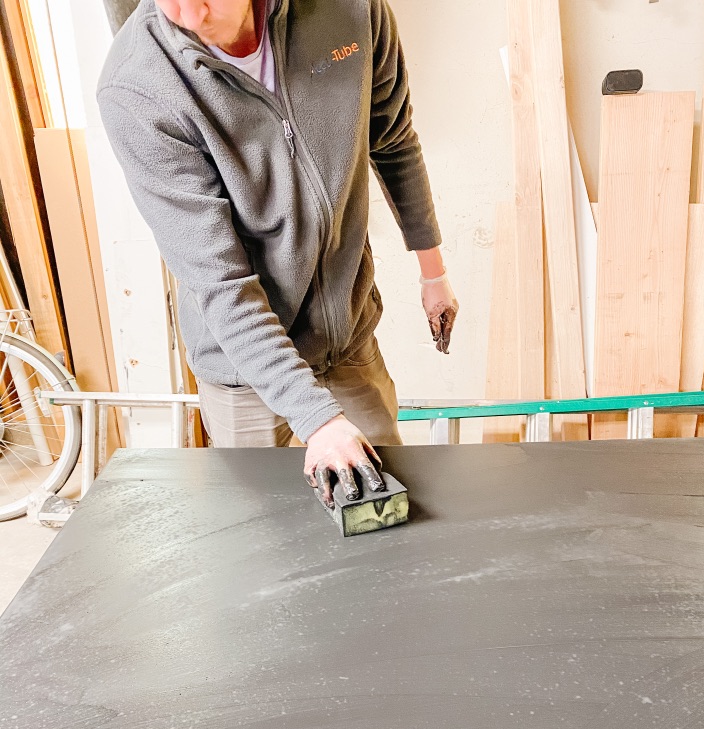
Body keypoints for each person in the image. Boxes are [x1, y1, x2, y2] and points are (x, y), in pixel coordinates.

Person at [98, 0, 458, 506]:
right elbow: (221, 284)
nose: (190, 15)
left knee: (387, 511)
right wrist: (317, 420)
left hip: (346, 338)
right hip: (246, 368)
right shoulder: (137, 87)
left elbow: (392, 139)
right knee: (266, 536)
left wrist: (432, 273)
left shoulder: (350, 10)